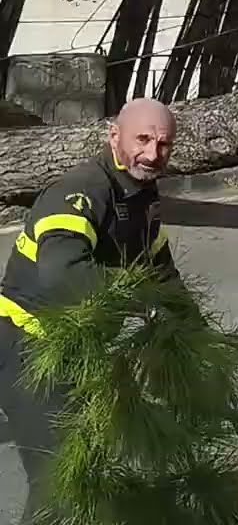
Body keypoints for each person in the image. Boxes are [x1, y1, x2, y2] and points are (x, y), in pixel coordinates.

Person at [0, 98, 181, 522]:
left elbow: (164, 277)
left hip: (82, 347)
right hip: (28, 347)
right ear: (113, 136)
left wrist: (206, 357)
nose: (152, 154)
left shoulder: (140, 196)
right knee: (60, 482)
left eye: (164, 144)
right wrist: (140, 301)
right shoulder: (80, 191)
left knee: (93, 468)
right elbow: (61, 272)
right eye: (142, 139)